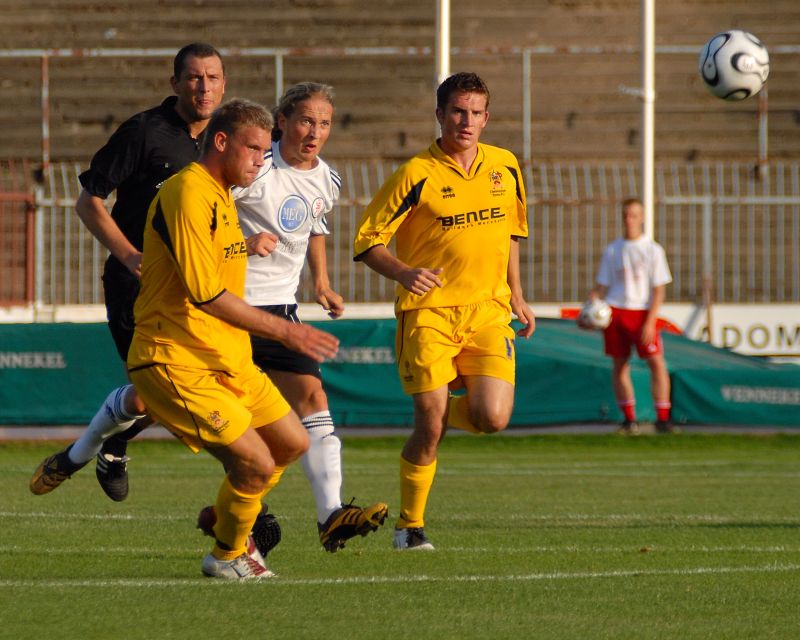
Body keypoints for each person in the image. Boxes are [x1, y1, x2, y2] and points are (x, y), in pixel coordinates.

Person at [128, 98, 339, 579]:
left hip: (225, 357)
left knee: (292, 443)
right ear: (221, 141)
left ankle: (228, 516)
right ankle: (227, 555)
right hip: (175, 358)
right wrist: (287, 330)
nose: (261, 160)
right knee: (256, 463)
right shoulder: (189, 192)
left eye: (265, 150)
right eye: (253, 149)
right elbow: (206, 295)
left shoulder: (224, 195)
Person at [30, 43, 227, 501]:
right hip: (136, 284)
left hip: (192, 287)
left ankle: (103, 449)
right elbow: (88, 201)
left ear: (224, 84)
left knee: (171, 389)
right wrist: (130, 256)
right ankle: (93, 452)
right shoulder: (143, 132)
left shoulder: (222, 138)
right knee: (157, 390)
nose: (204, 87)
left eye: (213, 77)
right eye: (194, 77)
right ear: (175, 83)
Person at [352, 72, 535, 550]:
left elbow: (511, 233)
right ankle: (409, 527)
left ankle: (434, 414)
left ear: (486, 117)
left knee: (492, 418)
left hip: (488, 310)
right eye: (457, 111)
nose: (466, 121)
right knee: (429, 428)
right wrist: (403, 272)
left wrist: (517, 294)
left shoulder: (505, 165)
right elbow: (367, 241)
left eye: (475, 113)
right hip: (428, 313)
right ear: (440, 114)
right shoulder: (416, 174)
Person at [224, 82, 387, 552]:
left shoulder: (327, 178)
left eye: (324, 123)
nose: (315, 132)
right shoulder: (256, 167)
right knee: (222, 419)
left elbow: (315, 225)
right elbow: (208, 218)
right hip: (230, 307)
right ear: (283, 122)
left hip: (281, 309)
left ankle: (330, 515)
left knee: (313, 398)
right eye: (306, 121)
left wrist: (322, 283)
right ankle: (109, 439)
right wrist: (243, 243)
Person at [585, 197, 676, 435]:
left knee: (656, 363)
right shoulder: (613, 249)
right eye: (626, 215)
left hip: (641, 312)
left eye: (634, 215)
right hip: (616, 312)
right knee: (619, 365)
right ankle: (629, 419)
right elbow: (601, 286)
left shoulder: (652, 250)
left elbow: (659, 290)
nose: (629, 219)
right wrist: (590, 307)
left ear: (642, 218)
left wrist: (650, 321)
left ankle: (663, 419)